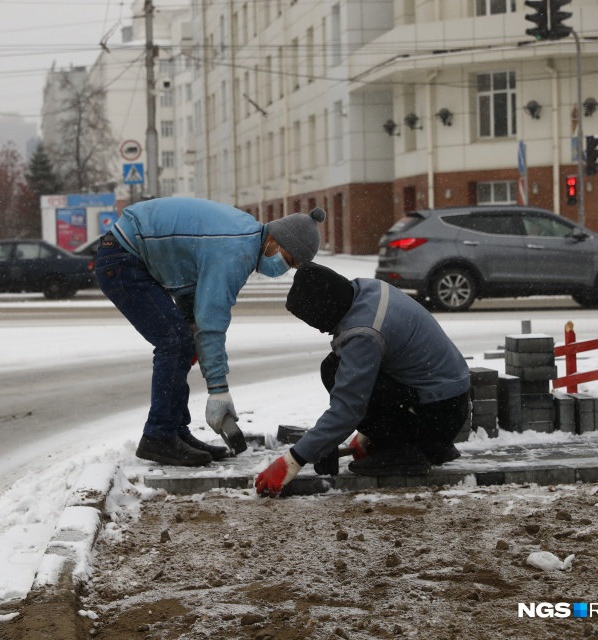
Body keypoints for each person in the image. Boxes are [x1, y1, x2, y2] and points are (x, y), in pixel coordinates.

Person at [96, 197, 325, 467]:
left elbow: (186, 281)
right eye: (289, 260)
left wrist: (190, 324)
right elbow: (212, 321)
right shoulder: (236, 250)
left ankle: (175, 432)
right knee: (174, 343)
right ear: (276, 242)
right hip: (123, 259)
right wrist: (218, 390)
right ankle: (158, 435)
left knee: (183, 341)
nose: (284, 269)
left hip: (128, 254)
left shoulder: (246, 236)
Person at [255, 263, 471, 496]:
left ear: (326, 310)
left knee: (333, 370)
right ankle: (426, 446)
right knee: (337, 366)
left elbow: (348, 410)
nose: (321, 331)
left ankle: (408, 452)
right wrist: (368, 434)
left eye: (317, 322)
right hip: (448, 403)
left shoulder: (363, 334)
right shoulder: (367, 290)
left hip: (438, 416)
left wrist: (291, 461)